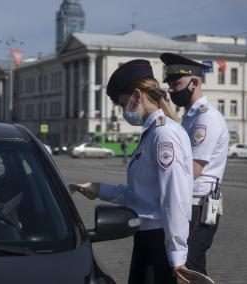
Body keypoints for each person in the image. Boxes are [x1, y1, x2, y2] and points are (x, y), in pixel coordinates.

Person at [69, 59, 194, 284]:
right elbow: (141, 195)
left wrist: (176, 255)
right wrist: (99, 189)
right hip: (146, 239)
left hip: (159, 242)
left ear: (137, 96)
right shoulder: (151, 134)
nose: (122, 111)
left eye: (123, 104)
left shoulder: (163, 135)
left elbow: (174, 198)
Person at [160, 53, 229, 275]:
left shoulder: (205, 119)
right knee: (183, 268)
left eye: (176, 83)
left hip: (198, 205)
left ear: (194, 82)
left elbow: (193, 171)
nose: (171, 90)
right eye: (169, 84)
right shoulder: (191, 116)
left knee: (189, 268)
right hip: (189, 203)